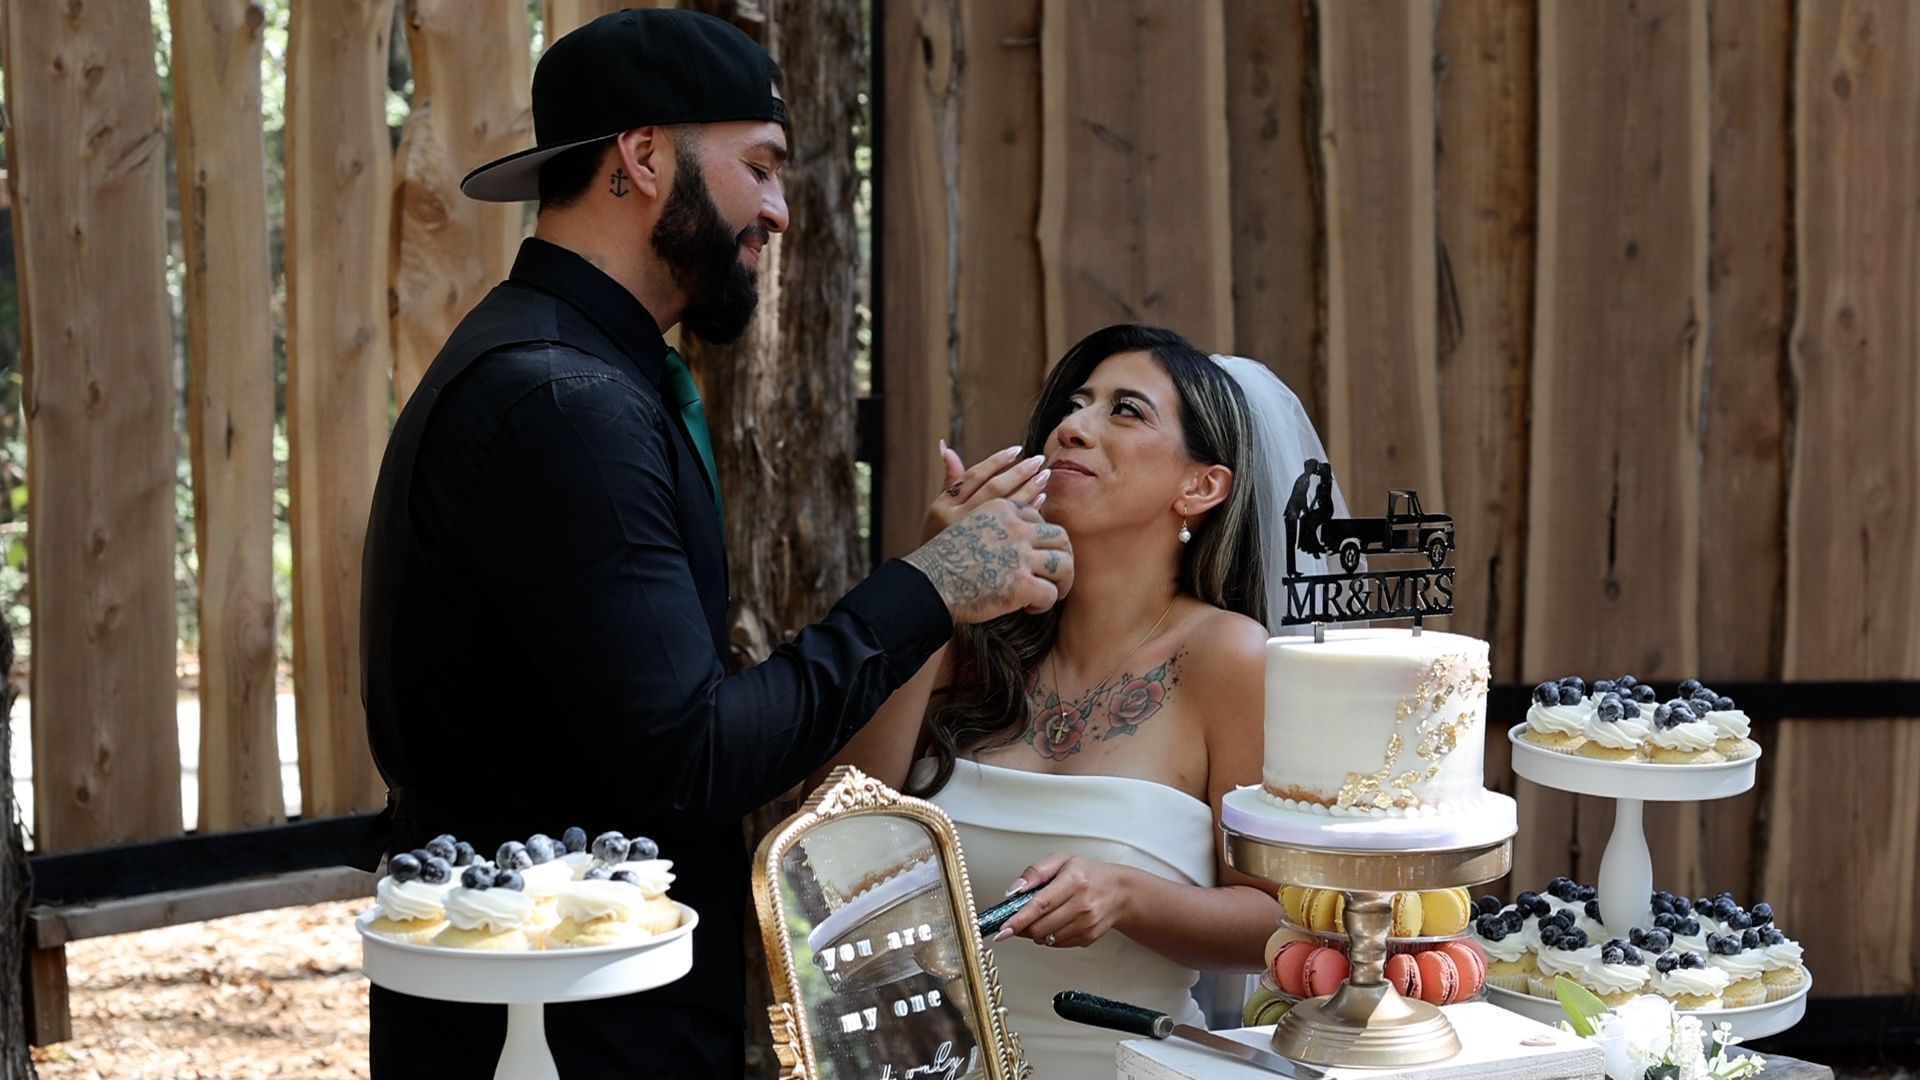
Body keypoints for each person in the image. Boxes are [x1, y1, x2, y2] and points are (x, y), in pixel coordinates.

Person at [356, 10, 1072, 1077]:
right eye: (761, 167)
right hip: (555, 1025)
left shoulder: (571, 373)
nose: (779, 211)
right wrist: (931, 587)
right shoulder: (565, 405)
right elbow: (688, 758)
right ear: (645, 156)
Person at [822, 325, 1344, 1077]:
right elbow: (831, 838)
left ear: (1201, 487)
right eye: (1073, 406)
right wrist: (932, 586)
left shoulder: (1230, 657)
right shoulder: (969, 639)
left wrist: (1127, 896)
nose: (1073, 427)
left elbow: (1282, 921)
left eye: (1125, 411)